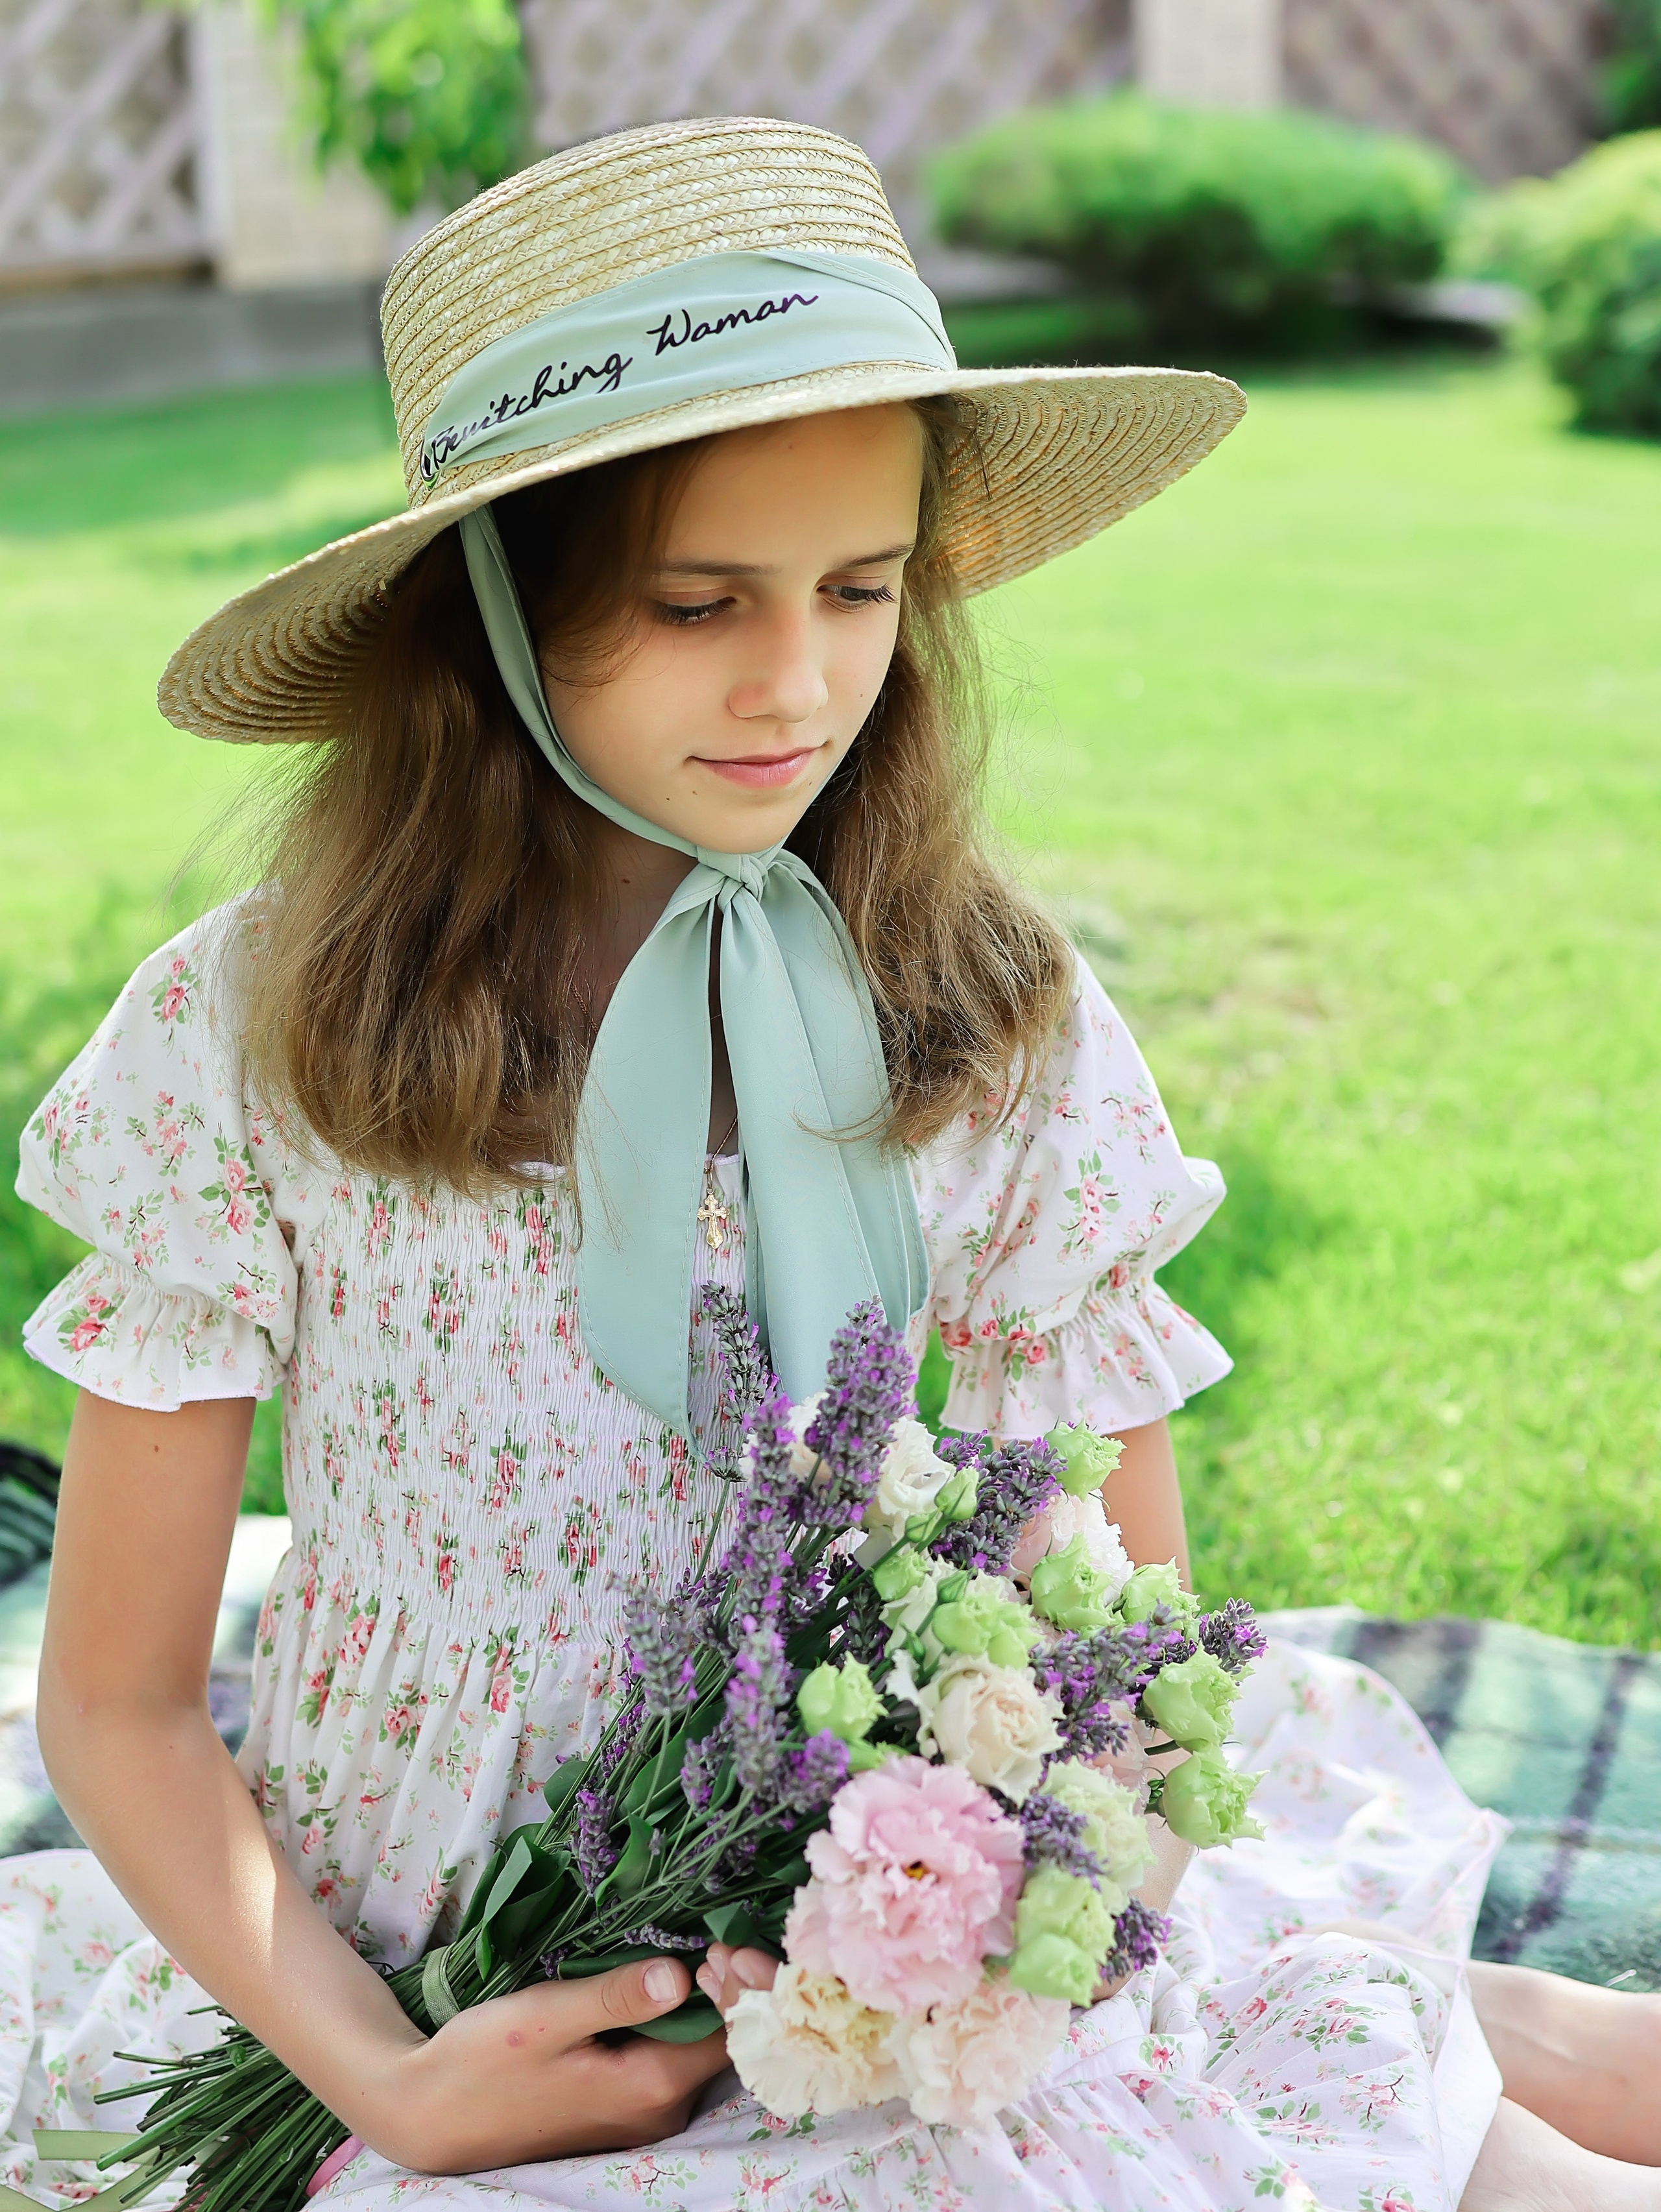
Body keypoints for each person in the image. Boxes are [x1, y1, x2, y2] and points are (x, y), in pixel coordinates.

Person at [9, 117, 1659, 2212]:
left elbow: (1120, 1645)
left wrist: (989, 1948)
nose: (797, 682)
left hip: (884, 1983)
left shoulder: (992, 1017)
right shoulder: (255, 1037)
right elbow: (122, 1699)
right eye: (695, 601)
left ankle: (1441, 2030)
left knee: (1425, 2142)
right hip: (417, 1989)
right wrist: (390, 2081)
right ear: (490, 620)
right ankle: (1447, 2027)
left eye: (861, 588)